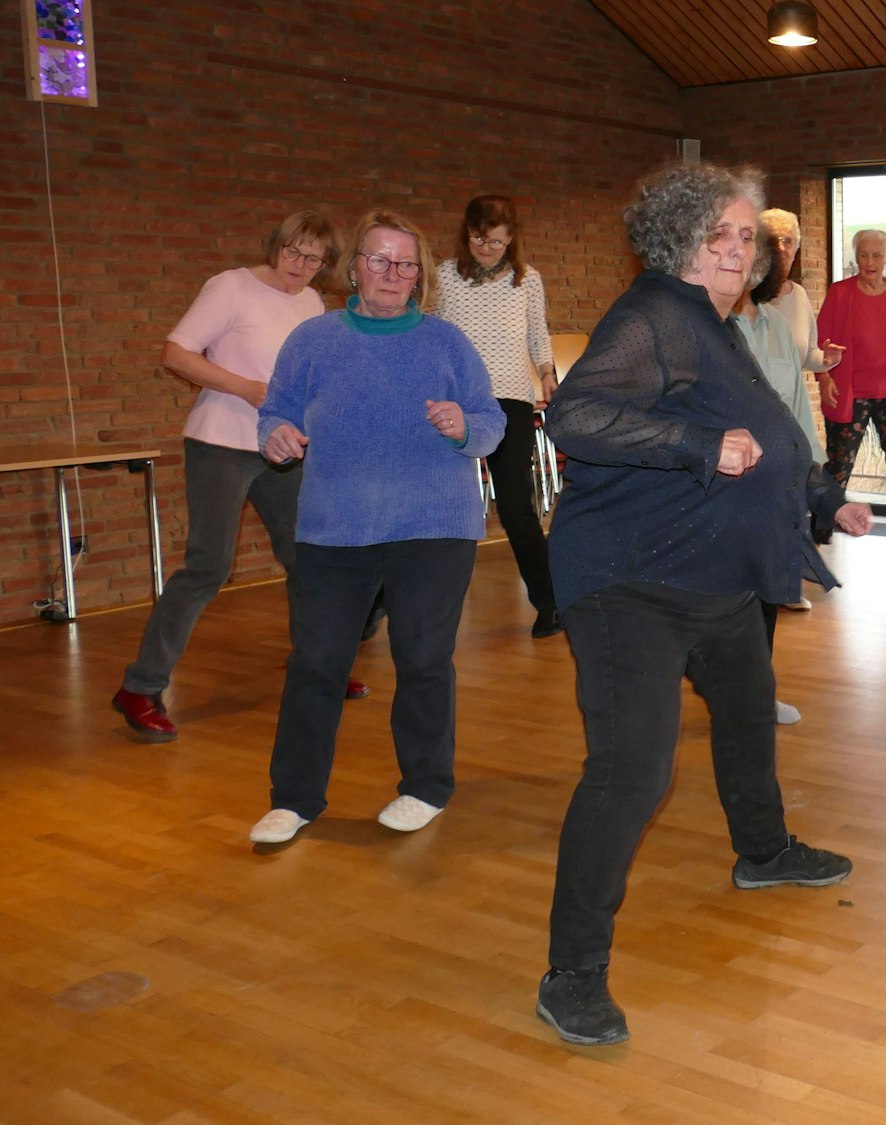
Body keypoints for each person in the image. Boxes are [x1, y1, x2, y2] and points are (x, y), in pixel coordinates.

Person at [535, 162, 873, 1048]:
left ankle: (762, 851)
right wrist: (694, 443)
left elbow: (772, 435)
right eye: (718, 233)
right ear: (678, 240)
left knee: (748, 714)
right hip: (631, 582)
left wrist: (821, 496)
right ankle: (571, 972)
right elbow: (573, 416)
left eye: (746, 236)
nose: (737, 247)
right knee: (632, 770)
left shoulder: (718, 325)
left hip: (711, 577)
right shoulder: (654, 314)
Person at [248, 209, 504, 846]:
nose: (394, 274)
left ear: (420, 275)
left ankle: (425, 786)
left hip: (432, 527)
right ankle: (294, 799)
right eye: (380, 260)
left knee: (422, 658)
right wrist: (275, 436)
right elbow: (275, 411)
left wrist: (464, 426)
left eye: (407, 263)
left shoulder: (447, 342)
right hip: (337, 527)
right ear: (354, 268)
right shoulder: (314, 340)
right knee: (317, 663)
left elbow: (492, 422)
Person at [111, 211, 373, 742]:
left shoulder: (310, 303)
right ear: (276, 245)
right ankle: (140, 687)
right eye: (293, 252)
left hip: (284, 447)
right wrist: (245, 388)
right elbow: (175, 353)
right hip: (221, 445)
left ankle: (317, 667)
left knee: (309, 557)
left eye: (313, 260)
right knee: (208, 567)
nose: (300, 266)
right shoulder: (230, 287)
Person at [436, 193, 562, 638]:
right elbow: (431, 334)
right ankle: (376, 606)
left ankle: (549, 602)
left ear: (511, 240)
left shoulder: (527, 280)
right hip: (455, 399)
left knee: (515, 507)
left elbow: (537, 332)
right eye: (477, 238)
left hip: (509, 399)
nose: (485, 248)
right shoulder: (445, 277)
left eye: (495, 241)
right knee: (425, 501)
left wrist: (547, 373)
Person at [732, 226, 828, 725]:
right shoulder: (711, 326)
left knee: (767, 594)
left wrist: (810, 473)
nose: (745, 262)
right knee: (726, 600)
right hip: (720, 485)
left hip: (773, 485)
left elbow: (795, 407)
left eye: (754, 254)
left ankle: (757, 694)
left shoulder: (774, 325)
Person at [817, 229, 886, 559]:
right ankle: (821, 529)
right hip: (852, 394)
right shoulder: (840, 294)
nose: (870, 262)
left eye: (876, 255)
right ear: (856, 257)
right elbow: (820, 343)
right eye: (863, 255)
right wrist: (824, 378)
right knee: (839, 465)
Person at [759, 207, 843, 610]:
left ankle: (788, 584)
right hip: (755, 416)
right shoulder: (745, 298)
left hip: (791, 413)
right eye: (773, 241)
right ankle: (762, 583)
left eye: (788, 241)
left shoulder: (800, 297)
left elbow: (805, 355)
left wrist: (825, 359)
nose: (782, 249)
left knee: (793, 500)